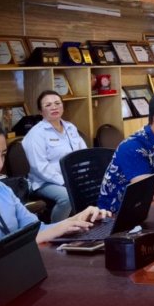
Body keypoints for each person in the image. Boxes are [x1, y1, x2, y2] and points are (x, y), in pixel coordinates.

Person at [0, 116, 108, 282]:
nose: (0, 164)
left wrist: (75, 221)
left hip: (15, 278)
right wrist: (33, 241)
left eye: (3, 155)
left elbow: (35, 230)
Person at [21, 90, 88, 222]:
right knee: (67, 197)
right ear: (41, 111)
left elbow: (83, 154)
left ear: (63, 106)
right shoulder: (36, 134)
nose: (54, 107)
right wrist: (65, 181)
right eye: (48, 105)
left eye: (57, 103)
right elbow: (39, 168)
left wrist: (85, 175)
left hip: (72, 178)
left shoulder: (70, 128)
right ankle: (55, 229)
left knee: (96, 186)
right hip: (44, 182)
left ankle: (86, 224)